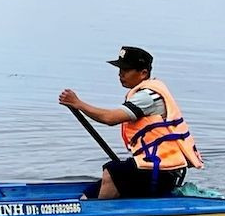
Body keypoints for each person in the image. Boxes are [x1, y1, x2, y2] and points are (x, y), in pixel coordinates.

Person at [58, 45, 204, 200]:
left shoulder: (148, 97)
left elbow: (110, 119)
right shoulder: (142, 92)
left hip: (161, 173)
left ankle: (102, 215)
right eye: (120, 69)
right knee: (89, 193)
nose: (120, 74)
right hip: (154, 168)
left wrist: (78, 103)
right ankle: (93, 207)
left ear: (143, 73)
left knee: (112, 171)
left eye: (126, 70)